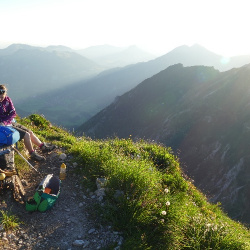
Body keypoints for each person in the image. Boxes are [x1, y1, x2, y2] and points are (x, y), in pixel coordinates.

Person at [0, 84, 55, 161]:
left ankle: (42, 147)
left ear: (5, 94)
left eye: (2, 97)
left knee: (30, 132)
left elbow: (13, 113)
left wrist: (6, 120)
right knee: (26, 135)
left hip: (9, 122)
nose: (0, 99)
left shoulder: (7, 100)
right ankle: (32, 154)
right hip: (4, 127)